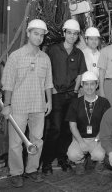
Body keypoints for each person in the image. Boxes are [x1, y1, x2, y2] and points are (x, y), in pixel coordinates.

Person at [1, 19, 53, 188]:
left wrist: (49, 102)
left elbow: (48, 83)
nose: (39, 38)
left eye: (41, 35)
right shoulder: (15, 57)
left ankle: (32, 169)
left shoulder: (45, 58)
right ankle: (16, 172)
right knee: (16, 142)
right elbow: (8, 83)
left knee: (37, 140)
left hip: (38, 106)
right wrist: (7, 105)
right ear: (28, 33)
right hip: (18, 106)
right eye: (35, 34)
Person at [41, 19, 87, 174]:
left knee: (67, 130)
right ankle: (46, 162)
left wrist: (75, 91)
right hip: (56, 95)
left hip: (71, 96)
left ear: (78, 36)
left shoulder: (78, 53)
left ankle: (62, 158)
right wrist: (52, 89)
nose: (72, 36)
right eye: (70, 33)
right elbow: (47, 72)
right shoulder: (53, 50)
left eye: (75, 34)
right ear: (64, 33)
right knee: (54, 129)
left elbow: (80, 74)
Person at [66, 71, 110, 175]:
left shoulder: (104, 102)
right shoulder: (75, 103)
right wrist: (81, 142)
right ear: (82, 85)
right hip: (80, 137)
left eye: (92, 84)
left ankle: (100, 162)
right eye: (86, 84)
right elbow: (72, 126)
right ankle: (80, 162)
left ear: (97, 85)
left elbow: (106, 125)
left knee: (100, 155)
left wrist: (96, 139)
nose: (89, 87)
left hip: (98, 137)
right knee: (72, 154)